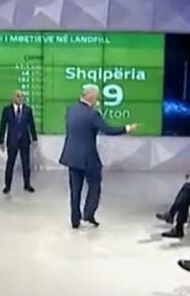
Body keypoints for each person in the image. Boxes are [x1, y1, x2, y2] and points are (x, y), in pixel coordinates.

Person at [58, 86, 138, 229]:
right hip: (88, 157)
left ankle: (75, 220)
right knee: (95, 184)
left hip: (72, 156)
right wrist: (127, 128)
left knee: (75, 190)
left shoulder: (70, 110)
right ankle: (88, 213)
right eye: (96, 96)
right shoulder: (93, 114)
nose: (97, 99)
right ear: (90, 96)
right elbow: (108, 130)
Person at [0, 90, 38, 194]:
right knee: (10, 163)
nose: (20, 98)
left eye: (22, 96)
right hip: (12, 141)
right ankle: (7, 186)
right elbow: (2, 125)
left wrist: (34, 138)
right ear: (13, 97)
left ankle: (27, 184)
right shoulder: (7, 110)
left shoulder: (27, 110)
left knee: (26, 163)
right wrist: (1, 140)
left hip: (25, 141)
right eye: (18, 96)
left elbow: (31, 125)